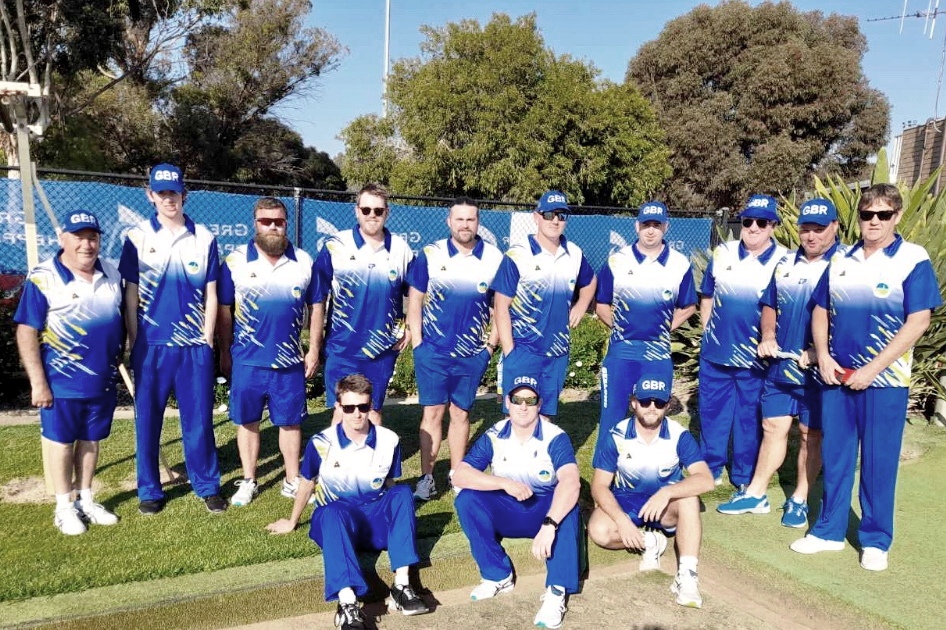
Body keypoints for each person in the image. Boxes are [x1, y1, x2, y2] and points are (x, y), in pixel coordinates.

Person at [791, 184, 941, 571]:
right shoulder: (840, 259)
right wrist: (822, 355)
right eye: (867, 214)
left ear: (897, 216)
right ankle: (827, 532)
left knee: (878, 462)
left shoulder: (912, 258)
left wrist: (872, 369)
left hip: (885, 382)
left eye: (883, 214)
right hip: (836, 378)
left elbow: (919, 320)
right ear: (857, 217)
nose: (874, 221)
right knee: (838, 459)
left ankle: (875, 540)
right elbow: (821, 309)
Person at [266, 374, 431, 630]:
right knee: (330, 512)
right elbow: (308, 482)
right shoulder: (321, 442)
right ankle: (347, 603)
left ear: (371, 406)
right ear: (338, 407)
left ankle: (402, 587)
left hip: (374, 521)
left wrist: (401, 513)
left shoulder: (389, 440)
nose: (357, 414)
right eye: (349, 408)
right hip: (339, 522)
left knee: (402, 494)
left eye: (363, 407)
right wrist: (292, 520)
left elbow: (390, 484)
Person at [717, 198, 840, 526]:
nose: (811, 236)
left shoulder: (844, 265)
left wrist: (820, 350)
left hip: (818, 370)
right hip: (781, 366)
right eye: (805, 229)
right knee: (772, 427)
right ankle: (756, 494)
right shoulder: (785, 263)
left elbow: (849, 316)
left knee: (810, 434)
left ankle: (799, 498)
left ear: (835, 228)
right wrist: (768, 335)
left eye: (819, 229)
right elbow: (769, 303)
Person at [119, 163, 226, 515]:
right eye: (161, 193)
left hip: (194, 345)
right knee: (148, 420)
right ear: (151, 195)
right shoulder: (137, 238)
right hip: (151, 346)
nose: (169, 199)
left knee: (198, 420)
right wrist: (135, 340)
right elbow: (131, 295)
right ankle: (150, 490)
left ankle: (207, 485)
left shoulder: (205, 238)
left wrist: (208, 338)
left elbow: (211, 293)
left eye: (174, 192)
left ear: (184, 194)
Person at [14, 210, 124, 535]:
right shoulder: (43, 277)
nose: (86, 244)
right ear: (63, 238)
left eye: (92, 237)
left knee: (91, 441)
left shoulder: (113, 273)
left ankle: (86, 499)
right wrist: (38, 382)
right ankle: (64, 506)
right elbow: (25, 331)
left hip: (102, 382)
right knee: (62, 443)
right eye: (78, 237)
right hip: (60, 385)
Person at [452, 374, 581, 630]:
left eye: (530, 400)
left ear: (539, 404)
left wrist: (550, 523)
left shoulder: (556, 436)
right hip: (509, 506)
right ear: (507, 403)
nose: (523, 406)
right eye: (517, 399)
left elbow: (571, 481)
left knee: (569, 506)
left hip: (543, 507)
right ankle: (497, 575)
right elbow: (461, 474)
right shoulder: (494, 434)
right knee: (467, 499)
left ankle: (556, 590)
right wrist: (504, 484)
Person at [217, 197, 320, 506]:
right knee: (247, 422)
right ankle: (249, 480)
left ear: (286, 223)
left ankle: (291, 479)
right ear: (255, 223)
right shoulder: (235, 262)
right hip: (247, 360)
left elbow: (316, 307)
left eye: (279, 221)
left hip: (289, 361)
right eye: (266, 221)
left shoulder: (303, 260)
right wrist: (225, 353)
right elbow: (224, 311)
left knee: (290, 422)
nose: (273, 226)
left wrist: (313, 349)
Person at [588, 373, 714, 608]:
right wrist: (621, 521)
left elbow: (705, 479)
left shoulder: (679, 435)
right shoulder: (616, 434)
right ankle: (650, 541)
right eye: (645, 401)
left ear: (668, 405)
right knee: (599, 531)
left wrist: (666, 493)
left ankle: (687, 575)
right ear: (634, 403)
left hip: (665, 505)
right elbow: (599, 485)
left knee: (689, 498)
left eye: (659, 402)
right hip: (626, 499)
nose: (652, 408)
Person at [407, 196, 504, 501]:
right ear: (449, 222)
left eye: (471, 219)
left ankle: (457, 474)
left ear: (478, 222)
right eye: (459, 219)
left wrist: (489, 347)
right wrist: (418, 342)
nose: (465, 225)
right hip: (433, 353)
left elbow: (502, 307)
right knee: (433, 413)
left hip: (472, 355)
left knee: (461, 415)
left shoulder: (494, 258)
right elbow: (415, 300)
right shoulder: (430, 255)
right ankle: (427, 478)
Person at [698, 194, 787, 489]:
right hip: (715, 354)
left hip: (755, 359)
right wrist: (706, 327)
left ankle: (743, 475)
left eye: (761, 222)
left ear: (773, 225)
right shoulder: (723, 252)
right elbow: (707, 293)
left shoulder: (784, 260)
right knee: (712, 416)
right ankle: (710, 468)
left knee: (749, 419)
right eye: (748, 220)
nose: (753, 227)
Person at [311, 183, 413, 426]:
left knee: (373, 411)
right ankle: (338, 463)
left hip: (381, 349)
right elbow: (318, 297)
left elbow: (417, 294)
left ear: (387, 213)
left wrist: (409, 327)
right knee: (342, 412)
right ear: (357, 211)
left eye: (378, 211)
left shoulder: (401, 249)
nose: (372, 216)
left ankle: (374, 463)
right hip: (342, 347)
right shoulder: (336, 245)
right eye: (366, 210)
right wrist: (314, 346)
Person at [491, 191, 596, 418]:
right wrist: (510, 352)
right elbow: (500, 307)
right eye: (549, 214)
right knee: (518, 417)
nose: (555, 220)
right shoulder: (518, 255)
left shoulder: (575, 254)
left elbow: (590, 281)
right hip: (523, 350)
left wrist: (581, 304)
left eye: (561, 215)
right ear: (537, 217)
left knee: (545, 416)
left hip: (557, 352)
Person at [595, 201, 697, 433]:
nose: (651, 230)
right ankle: (605, 468)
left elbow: (689, 306)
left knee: (652, 418)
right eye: (646, 224)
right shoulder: (617, 260)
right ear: (636, 226)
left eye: (656, 225)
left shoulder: (679, 264)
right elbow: (601, 303)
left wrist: (664, 329)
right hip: (621, 350)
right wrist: (618, 327)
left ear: (666, 227)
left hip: (657, 352)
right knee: (612, 416)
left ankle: (647, 469)